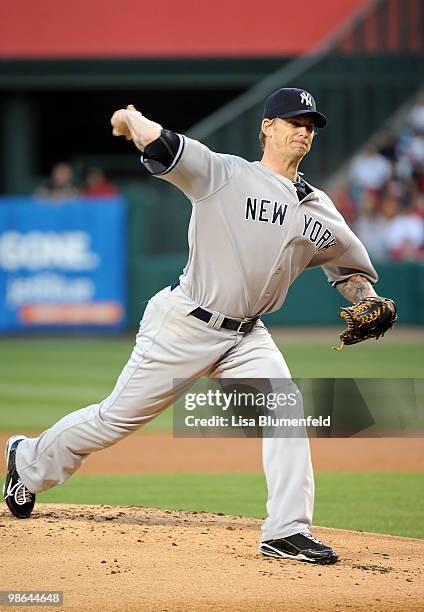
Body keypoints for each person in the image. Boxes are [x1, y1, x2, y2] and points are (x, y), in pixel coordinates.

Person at [4, 88, 395, 565]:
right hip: (185, 324)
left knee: (285, 413)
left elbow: (350, 270)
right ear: (267, 127)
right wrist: (133, 121)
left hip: (247, 336)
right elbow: (167, 145)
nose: (303, 131)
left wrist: (370, 300)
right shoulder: (224, 175)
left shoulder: (319, 208)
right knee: (114, 420)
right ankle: (26, 460)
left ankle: (286, 531)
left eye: (310, 125)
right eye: (293, 121)